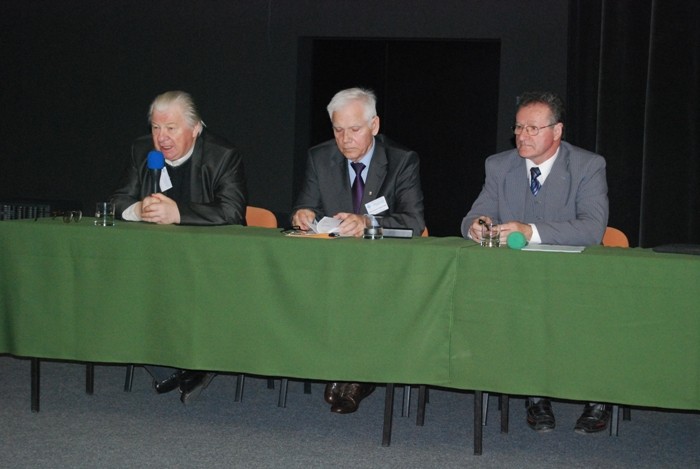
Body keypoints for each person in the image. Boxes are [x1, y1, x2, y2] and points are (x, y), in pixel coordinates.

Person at [461, 91, 611, 434]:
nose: (522, 136)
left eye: (532, 128)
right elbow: (474, 214)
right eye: (518, 127)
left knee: (587, 311)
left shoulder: (588, 166)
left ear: (557, 131)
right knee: (511, 305)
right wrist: (476, 225)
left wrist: (530, 231)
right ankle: (535, 396)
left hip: (576, 276)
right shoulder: (499, 165)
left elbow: (592, 228)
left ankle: (596, 397)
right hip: (519, 278)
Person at [292, 87, 425, 413]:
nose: (345, 139)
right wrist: (302, 215)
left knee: (365, 293)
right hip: (332, 265)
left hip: (382, 266)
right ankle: (341, 368)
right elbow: (305, 206)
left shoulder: (401, 161)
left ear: (374, 125)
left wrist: (368, 222)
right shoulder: (319, 157)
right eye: (338, 130)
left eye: (354, 129)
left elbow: (413, 222)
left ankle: (357, 374)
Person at [111, 90, 247, 404]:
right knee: (119, 286)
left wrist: (178, 213)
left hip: (206, 261)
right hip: (153, 260)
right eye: (156, 128)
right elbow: (117, 200)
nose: (162, 138)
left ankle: (196, 363)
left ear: (195, 128)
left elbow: (232, 212)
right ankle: (169, 368)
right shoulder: (142, 151)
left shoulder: (222, 155)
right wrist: (137, 210)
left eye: (171, 128)